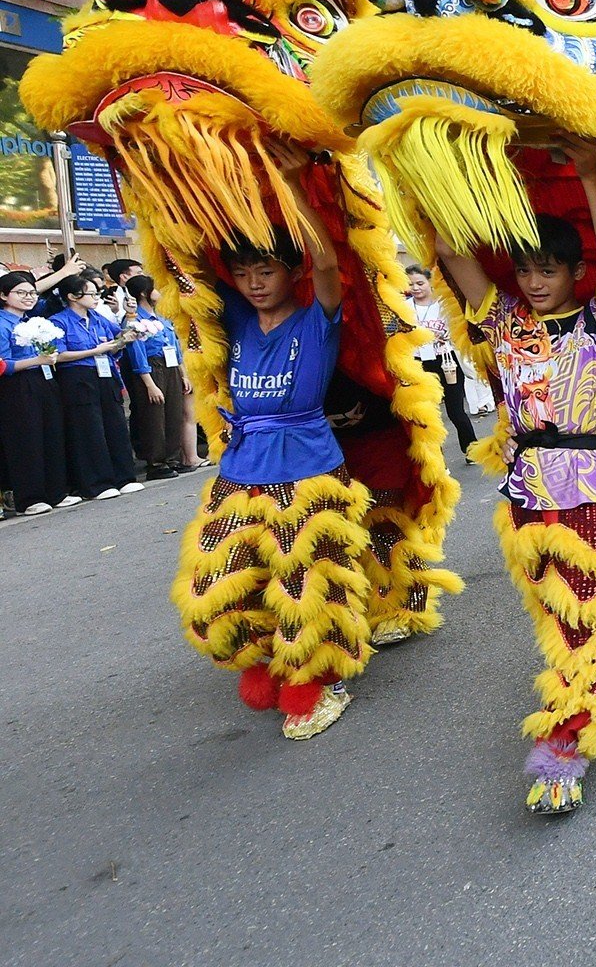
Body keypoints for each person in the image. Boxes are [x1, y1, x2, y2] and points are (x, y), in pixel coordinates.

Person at [431, 139, 596, 814]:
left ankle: (564, 748)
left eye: (548, 270)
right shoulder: (505, 323)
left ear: (572, 272)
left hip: (594, 486)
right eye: (526, 269)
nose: (535, 282)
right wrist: (451, 169)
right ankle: (582, 702)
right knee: (564, 619)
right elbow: (450, 254)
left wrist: (591, 175)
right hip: (531, 494)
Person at [174, 143, 374, 738]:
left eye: (267, 271)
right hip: (239, 470)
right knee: (212, 588)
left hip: (309, 468)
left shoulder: (317, 318)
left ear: (292, 274)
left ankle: (320, 679)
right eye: (244, 274)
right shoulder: (234, 317)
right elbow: (188, 258)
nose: (255, 284)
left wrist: (292, 184)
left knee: (308, 588)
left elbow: (331, 266)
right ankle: (264, 655)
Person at [48, 273, 144, 500]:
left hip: (106, 372)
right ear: (72, 296)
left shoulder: (99, 318)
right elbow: (58, 355)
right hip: (78, 375)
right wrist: (95, 351)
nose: (96, 298)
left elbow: (116, 339)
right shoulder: (59, 321)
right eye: (91, 293)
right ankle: (98, 482)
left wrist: (129, 331)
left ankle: (124, 477)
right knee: (89, 429)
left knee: (116, 425)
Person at [0, 271, 78, 515]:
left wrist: (46, 358)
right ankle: (30, 497)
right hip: (17, 385)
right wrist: (37, 359)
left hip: (43, 378)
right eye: (21, 293)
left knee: (52, 432)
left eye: (32, 292)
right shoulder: (3, 323)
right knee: (26, 440)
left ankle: (57, 491)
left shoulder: (29, 320)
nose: (29, 297)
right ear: (3, 295)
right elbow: (4, 363)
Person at [118, 274, 190, 480]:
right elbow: (136, 352)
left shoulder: (162, 316)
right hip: (152, 367)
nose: (161, 292)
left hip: (171, 366)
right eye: (156, 288)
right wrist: (149, 383)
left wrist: (182, 373)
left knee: (173, 413)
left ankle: (172, 458)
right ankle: (156, 462)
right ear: (143, 293)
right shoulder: (134, 319)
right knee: (154, 416)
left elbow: (174, 345)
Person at [406, 264, 477, 461]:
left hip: (447, 362)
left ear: (430, 282)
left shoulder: (444, 304)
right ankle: (436, 457)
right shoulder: (404, 307)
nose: (416, 288)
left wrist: (442, 336)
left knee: (455, 411)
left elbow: (459, 329)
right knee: (427, 414)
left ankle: (471, 449)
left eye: (420, 283)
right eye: (411, 284)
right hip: (419, 364)